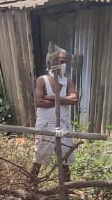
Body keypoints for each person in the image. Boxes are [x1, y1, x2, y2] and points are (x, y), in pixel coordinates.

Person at [30, 45, 79, 183]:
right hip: (46, 124)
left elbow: (74, 99)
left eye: (64, 61)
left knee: (65, 158)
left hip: (63, 124)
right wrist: (63, 101)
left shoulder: (67, 81)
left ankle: (66, 190)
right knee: (39, 157)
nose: (62, 64)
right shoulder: (42, 80)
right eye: (59, 61)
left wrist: (53, 98)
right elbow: (38, 102)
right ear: (50, 62)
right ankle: (31, 186)